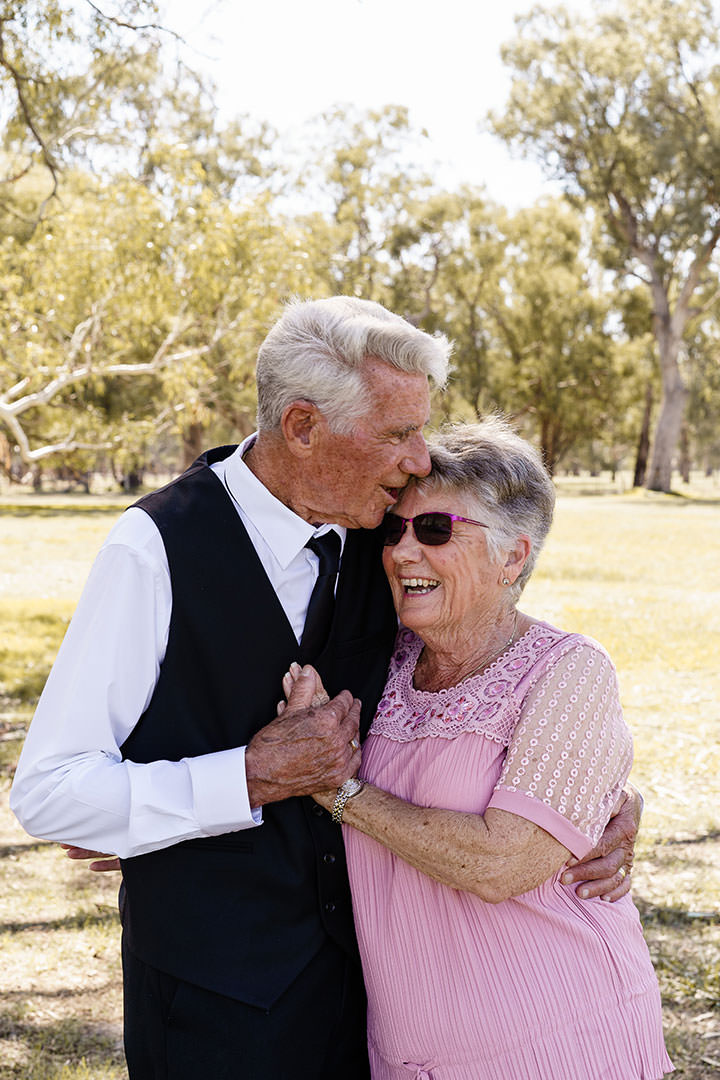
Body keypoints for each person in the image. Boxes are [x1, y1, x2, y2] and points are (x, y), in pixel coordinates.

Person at [10, 299, 641, 1080]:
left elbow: (489, 655)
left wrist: (595, 791)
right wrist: (243, 777)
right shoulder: (155, 548)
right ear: (304, 427)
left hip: (372, 1007)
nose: (418, 461)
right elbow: (51, 792)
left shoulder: (385, 532)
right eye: (398, 433)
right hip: (216, 1009)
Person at [281, 417, 672, 1080]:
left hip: (555, 1038)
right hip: (409, 1048)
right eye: (395, 529)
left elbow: (501, 863)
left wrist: (339, 790)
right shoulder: (380, 662)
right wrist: (146, 814)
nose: (404, 552)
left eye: (436, 530)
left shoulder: (567, 670)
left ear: (514, 556)